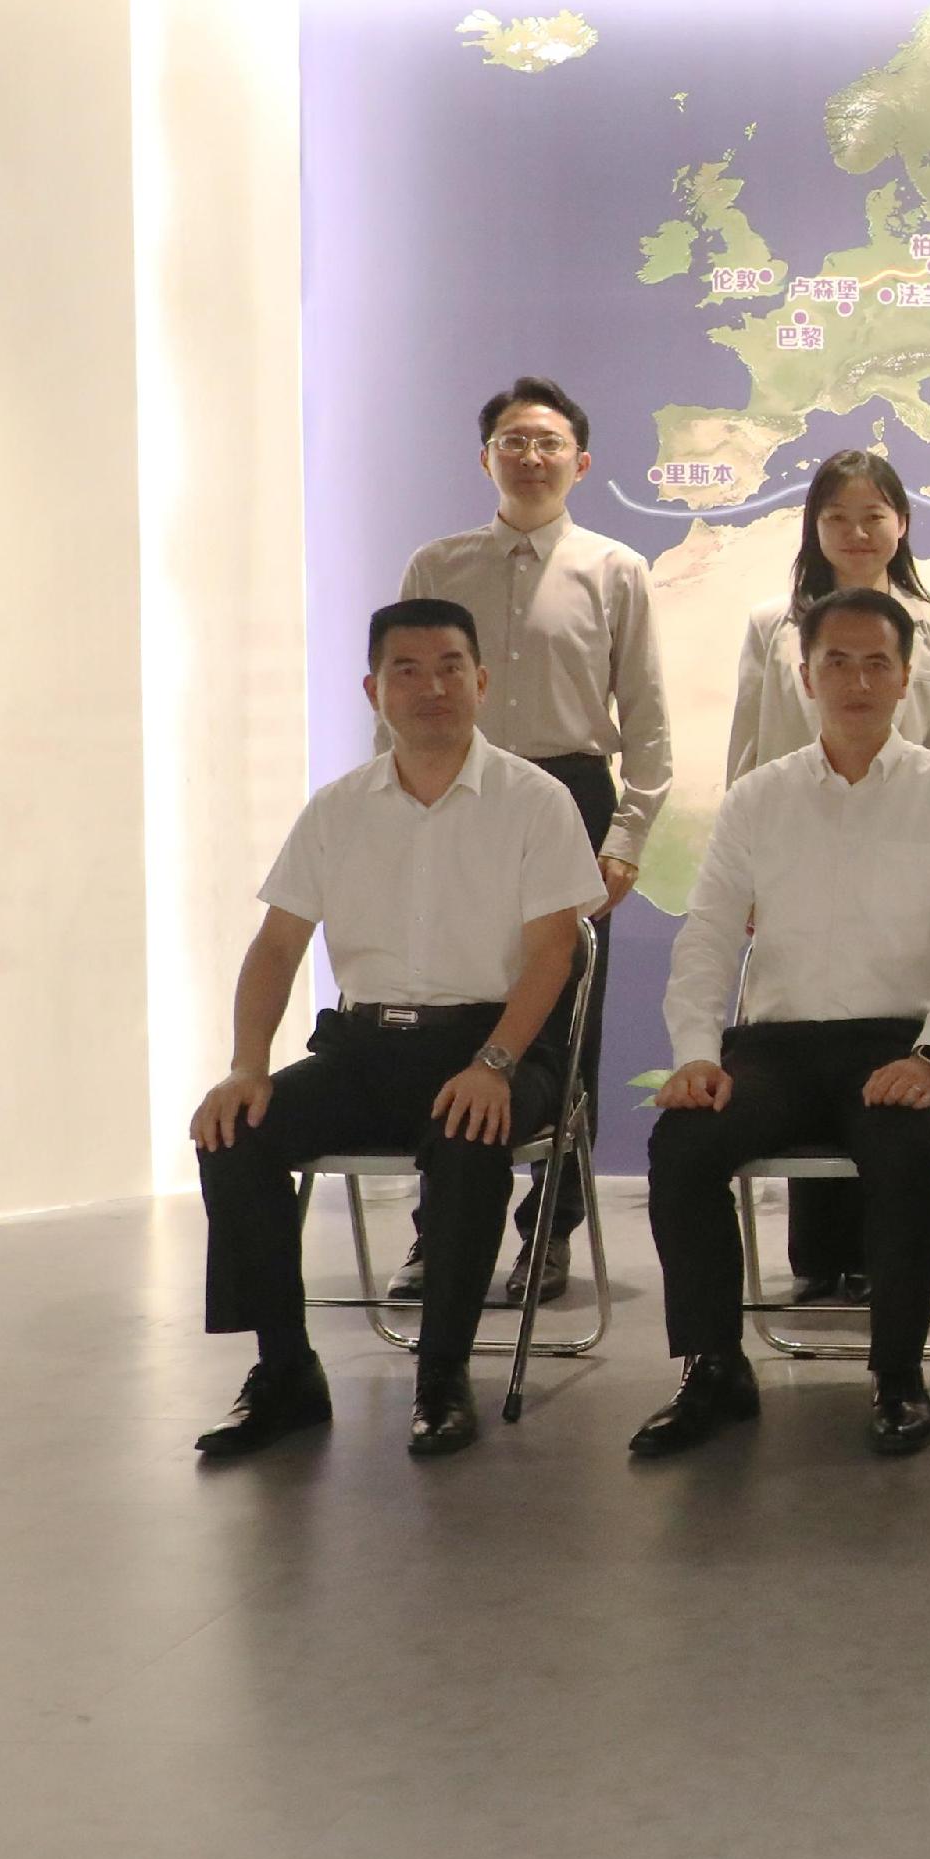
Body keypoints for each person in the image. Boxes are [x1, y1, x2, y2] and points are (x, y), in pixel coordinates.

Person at [187, 599, 604, 1462]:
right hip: (364, 1046)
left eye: (451, 666)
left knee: (466, 1127)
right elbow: (275, 947)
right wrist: (245, 1065)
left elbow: (553, 953)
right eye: (407, 671)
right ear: (375, 689)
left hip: (497, 1044)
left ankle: (442, 1376)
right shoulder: (338, 809)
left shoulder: (536, 801)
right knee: (236, 1133)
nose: (431, 687)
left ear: (481, 681)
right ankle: (285, 1370)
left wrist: (494, 1062)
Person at [631, 589, 930, 1462]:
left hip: (901, 1040)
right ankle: (714, 1366)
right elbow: (711, 936)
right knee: (684, 1144)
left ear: (908, 677)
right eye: (836, 660)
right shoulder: (759, 798)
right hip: (777, 1047)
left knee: (899, 1143)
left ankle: (899, 1376)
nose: (857, 679)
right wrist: (694, 1054)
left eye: (878, 661)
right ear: (803, 675)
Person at [393, 375, 671, 1305]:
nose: (531, 455)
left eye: (549, 442)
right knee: (443, 1004)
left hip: (572, 795)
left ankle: (549, 1234)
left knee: (564, 1024)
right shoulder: (437, 566)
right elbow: (401, 697)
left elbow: (651, 728)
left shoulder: (615, 567)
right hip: (455, 794)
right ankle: (438, 1233)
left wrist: (626, 836)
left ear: (580, 461)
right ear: (486, 458)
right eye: (513, 440)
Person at [726, 447, 930, 1304]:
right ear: (815, 528)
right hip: (793, 860)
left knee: (883, 1048)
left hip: (899, 864)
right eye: (838, 517)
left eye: (875, 516)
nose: (857, 532)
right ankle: (819, 1259)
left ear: (901, 524)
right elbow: (749, 748)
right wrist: (747, 874)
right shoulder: (773, 623)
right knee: (802, 1027)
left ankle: (884, 1260)